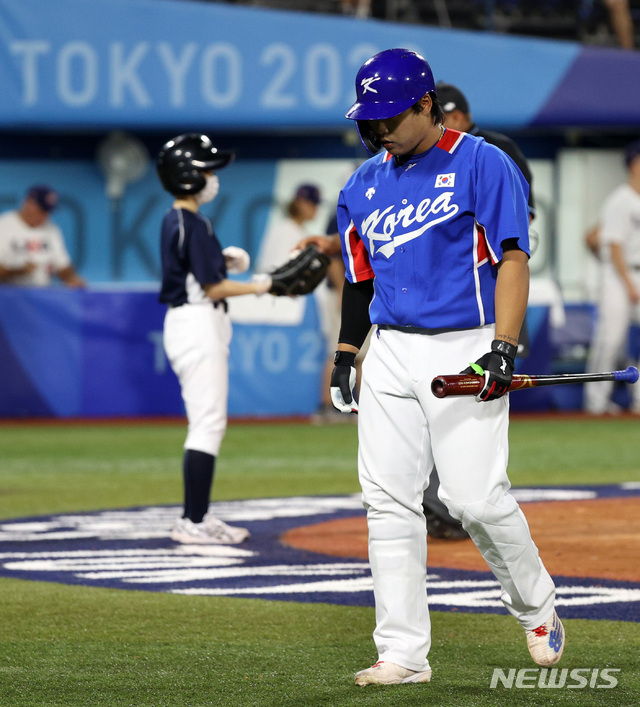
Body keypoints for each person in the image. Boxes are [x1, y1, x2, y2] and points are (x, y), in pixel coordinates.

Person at [330, 48, 564, 686]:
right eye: (369, 118)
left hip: (465, 342)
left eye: (390, 115)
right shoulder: (360, 185)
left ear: (427, 104)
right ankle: (402, 653)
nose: (378, 128)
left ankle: (537, 606)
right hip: (390, 350)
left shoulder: (483, 162)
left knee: (475, 500)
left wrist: (505, 346)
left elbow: (513, 258)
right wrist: (347, 354)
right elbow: (359, 280)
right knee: (387, 503)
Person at [420, 81, 539, 540]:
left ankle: (463, 498)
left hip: (492, 287)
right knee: (444, 398)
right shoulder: (418, 158)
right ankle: (445, 502)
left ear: (464, 117)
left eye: (452, 117)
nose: (446, 125)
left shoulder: (494, 152)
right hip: (445, 301)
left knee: (481, 395)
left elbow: (517, 225)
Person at [157, 133, 274, 545]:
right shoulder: (187, 221)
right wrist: (265, 285)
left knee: (206, 423)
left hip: (193, 322)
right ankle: (194, 521)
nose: (212, 177)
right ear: (188, 175)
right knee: (207, 424)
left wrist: (221, 259)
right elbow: (212, 288)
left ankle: (196, 517)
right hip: (197, 322)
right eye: (205, 169)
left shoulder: (182, 221)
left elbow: (192, 270)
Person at [584, 139, 640, 415]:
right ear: (633, 164)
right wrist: (628, 282)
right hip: (621, 274)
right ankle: (596, 401)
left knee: (635, 343)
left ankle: (638, 399)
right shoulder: (621, 199)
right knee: (611, 339)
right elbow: (612, 244)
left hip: (633, 273)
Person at [0, 185, 85, 287]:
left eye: (48, 211)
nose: (45, 216)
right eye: (41, 210)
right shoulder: (4, 225)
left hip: (40, 294)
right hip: (7, 296)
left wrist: (71, 278)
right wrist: (19, 271)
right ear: (28, 203)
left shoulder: (51, 229)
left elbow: (62, 265)